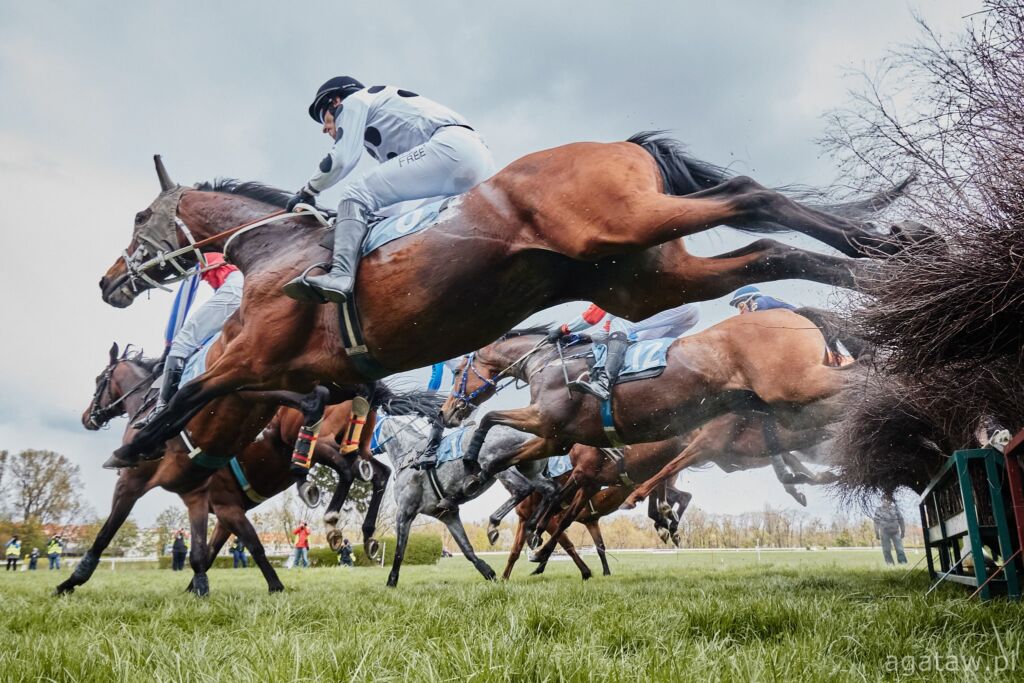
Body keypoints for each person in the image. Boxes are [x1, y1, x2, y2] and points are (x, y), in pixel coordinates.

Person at [282, 76, 495, 304]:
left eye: (322, 116)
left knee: (354, 193)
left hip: (451, 149)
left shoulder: (352, 102)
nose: (324, 128)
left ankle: (340, 276)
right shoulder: (382, 124)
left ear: (335, 101)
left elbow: (342, 160)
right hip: (478, 161)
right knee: (421, 235)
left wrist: (307, 192)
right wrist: (350, 221)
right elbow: (391, 198)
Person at [133, 253, 243, 431]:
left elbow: (182, 302)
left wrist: (170, 344)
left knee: (182, 342)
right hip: (257, 286)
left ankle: (162, 410)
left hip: (237, 288)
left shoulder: (200, 256)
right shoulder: (229, 256)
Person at [547, 302, 701, 401]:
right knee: (634, 343)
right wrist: (585, 337)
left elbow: (592, 317)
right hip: (688, 310)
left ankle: (604, 382)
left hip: (678, 304)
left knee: (621, 324)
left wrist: (562, 329)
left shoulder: (610, 285)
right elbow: (608, 333)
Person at [873, 495, 908, 565]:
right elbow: (876, 521)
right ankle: (890, 564)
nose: (886, 501)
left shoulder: (895, 509)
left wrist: (903, 531)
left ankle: (903, 564)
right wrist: (876, 533)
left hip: (895, 532)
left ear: (891, 501)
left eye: (888, 500)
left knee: (899, 549)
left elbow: (901, 519)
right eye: (884, 499)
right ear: (882, 500)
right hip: (884, 532)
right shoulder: (878, 510)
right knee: (886, 550)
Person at [728, 285, 796, 314]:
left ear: (750, 299)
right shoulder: (764, 300)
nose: (740, 308)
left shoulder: (759, 301)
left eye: (740, 304)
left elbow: (757, 320)